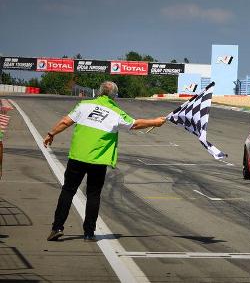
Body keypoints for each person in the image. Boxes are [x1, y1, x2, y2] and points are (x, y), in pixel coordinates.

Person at [43, 81, 166, 242]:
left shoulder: (84, 105)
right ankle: (88, 233)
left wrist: (51, 133)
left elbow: (65, 121)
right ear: (114, 96)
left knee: (68, 191)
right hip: (98, 160)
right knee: (93, 195)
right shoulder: (115, 112)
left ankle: (57, 228)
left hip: (77, 157)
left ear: (98, 92)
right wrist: (155, 122)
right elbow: (135, 124)